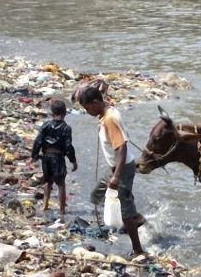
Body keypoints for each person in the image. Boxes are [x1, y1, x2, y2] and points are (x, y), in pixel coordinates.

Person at [78, 86, 146, 256]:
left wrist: (116, 177)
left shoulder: (109, 119)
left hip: (122, 168)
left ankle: (138, 250)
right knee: (97, 194)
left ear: (95, 103)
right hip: (116, 167)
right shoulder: (106, 112)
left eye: (87, 108)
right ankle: (135, 214)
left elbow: (121, 148)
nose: (87, 112)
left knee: (125, 214)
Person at [31, 99, 78, 217]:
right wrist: (73, 161)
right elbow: (68, 146)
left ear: (52, 113)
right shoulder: (66, 128)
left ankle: (45, 205)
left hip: (46, 156)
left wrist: (34, 156)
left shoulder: (46, 125)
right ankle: (62, 209)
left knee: (47, 182)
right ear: (65, 113)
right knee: (61, 183)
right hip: (58, 157)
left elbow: (38, 141)